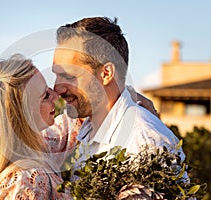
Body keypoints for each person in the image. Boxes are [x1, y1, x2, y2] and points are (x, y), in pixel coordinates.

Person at [52, 17, 186, 176]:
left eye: (68, 77)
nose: (57, 89)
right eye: (57, 75)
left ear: (106, 74)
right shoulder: (85, 129)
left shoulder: (143, 143)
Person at [0, 54, 76, 200]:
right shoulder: (26, 182)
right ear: (23, 115)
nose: (56, 96)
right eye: (45, 96)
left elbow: (65, 128)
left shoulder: (32, 148)